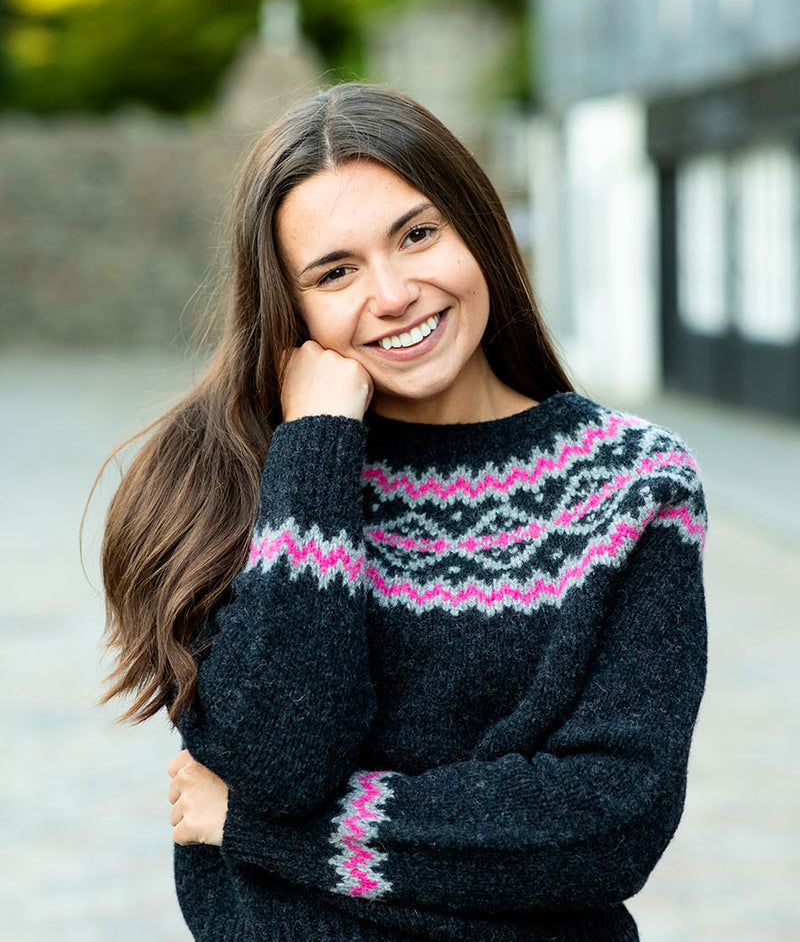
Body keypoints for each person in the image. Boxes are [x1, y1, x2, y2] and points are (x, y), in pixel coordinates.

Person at [100, 83, 707, 942]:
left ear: (479, 231)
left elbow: (607, 824)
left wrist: (263, 830)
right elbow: (277, 761)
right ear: (291, 305)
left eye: (418, 235)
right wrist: (313, 450)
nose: (393, 293)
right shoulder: (224, 482)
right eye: (336, 271)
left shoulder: (632, 484)